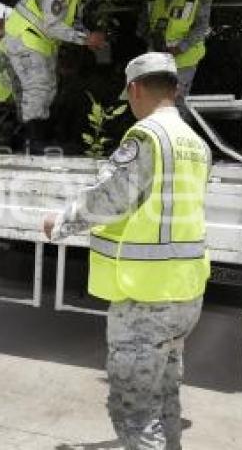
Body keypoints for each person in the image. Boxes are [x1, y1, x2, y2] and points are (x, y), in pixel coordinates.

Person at [43, 52, 212, 450]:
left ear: (135, 89)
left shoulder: (146, 136)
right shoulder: (196, 143)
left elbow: (110, 199)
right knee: (166, 394)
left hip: (146, 299)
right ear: (175, 88)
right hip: (186, 292)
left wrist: (61, 222)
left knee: (134, 412)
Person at [0, 0, 109, 148]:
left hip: (39, 44)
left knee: (47, 91)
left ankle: (31, 138)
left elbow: (72, 23)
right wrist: (86, 39)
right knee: (38, 89)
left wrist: (89, 36)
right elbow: (52, 25)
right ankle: (32, 141)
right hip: (25, 39)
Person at [137, 0, 213, 113]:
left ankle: (179, 136)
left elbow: (201, 26)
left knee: (175, 103)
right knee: (153, 102)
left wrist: (180, 47)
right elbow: (142, 26)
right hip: (157, 57)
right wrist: (152, 42)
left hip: (184, 60)